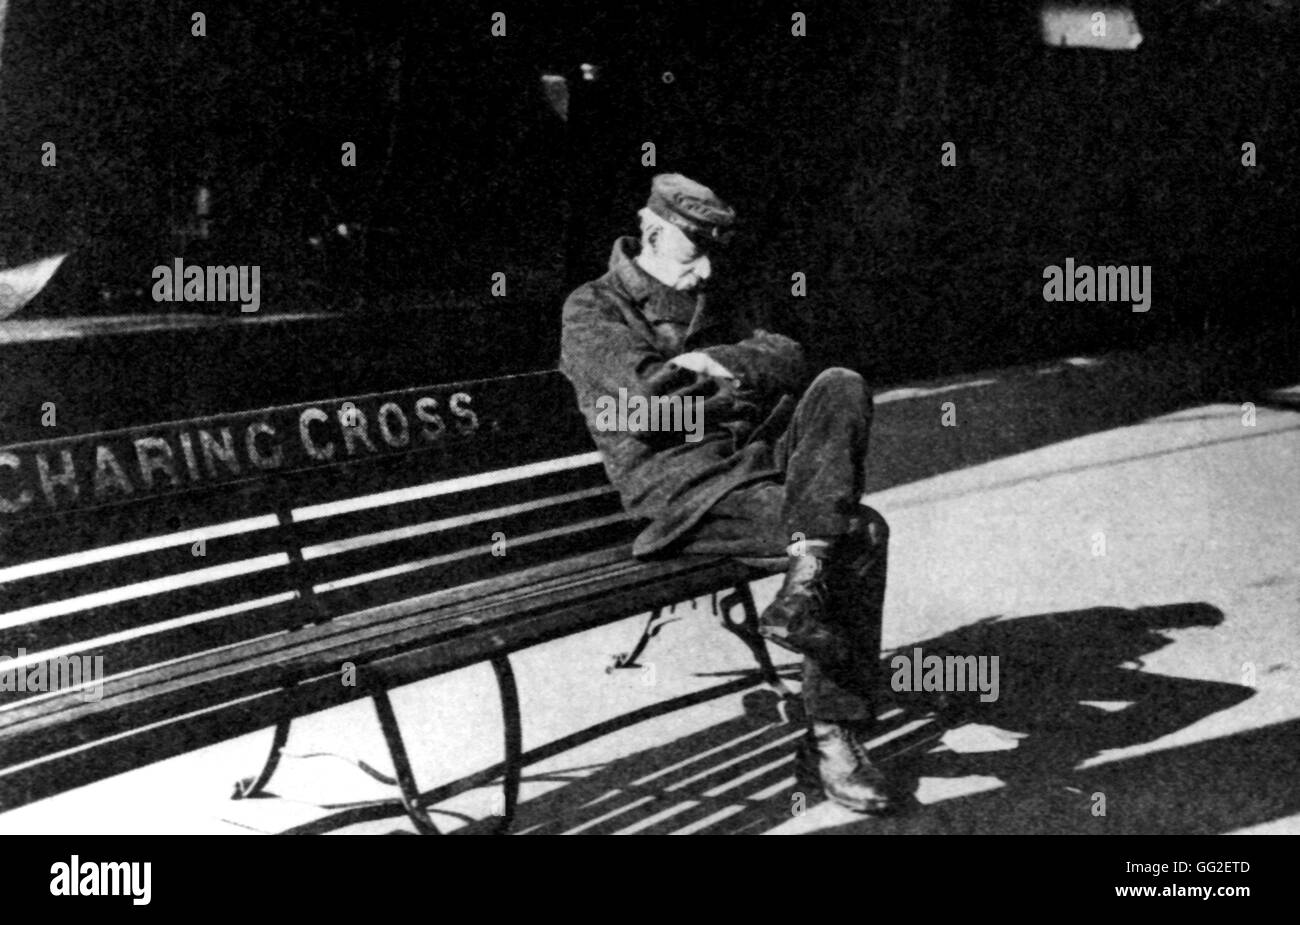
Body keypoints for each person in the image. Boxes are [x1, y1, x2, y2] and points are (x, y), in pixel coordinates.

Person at [559, 173, 897, 814]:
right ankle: (832, 735)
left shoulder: (719, 288)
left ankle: (804, 584)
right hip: (684, 492)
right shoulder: (594, 307)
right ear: (651, 231)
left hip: (760, 473)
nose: (709, 268)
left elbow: (790, 355)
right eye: (695, 249)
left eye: (717, 250)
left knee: (842, 383)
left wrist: (716, 366)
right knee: (862, 531)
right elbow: (644, 408)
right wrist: (738, 381)